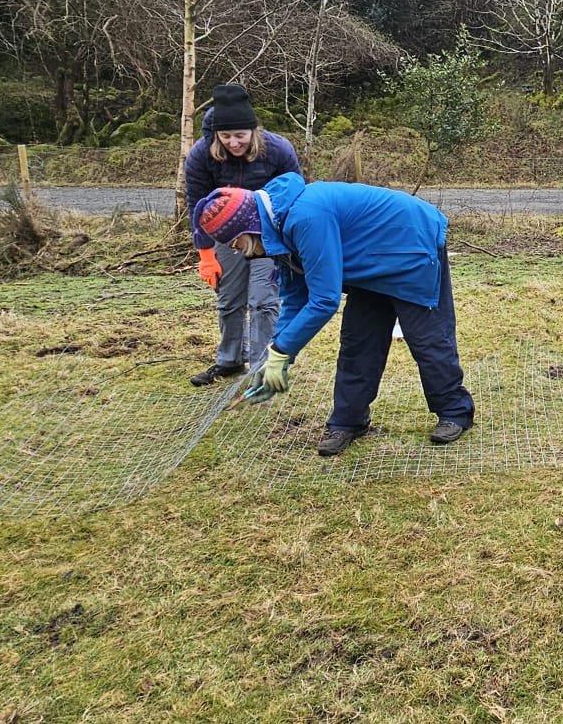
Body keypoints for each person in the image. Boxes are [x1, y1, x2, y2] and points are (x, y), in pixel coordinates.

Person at [193, 174, 474, 457]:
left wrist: (282, 350)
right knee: (358, 343)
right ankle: (348, 421)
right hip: (367, 264)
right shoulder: (277, 227)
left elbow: (324, 299)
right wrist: (277, 354)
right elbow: (295, 297)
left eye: (235, 243)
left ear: (248, 226)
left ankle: (454, 411)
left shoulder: (305, 217)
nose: (238, 252)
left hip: (409, 248)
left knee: (427, 339)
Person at [182, 83, 303, 387]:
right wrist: (205, 254)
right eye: (226, 136)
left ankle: (263, 367)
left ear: (253, 131)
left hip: (270, 234)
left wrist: (292, 241)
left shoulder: (278, 150)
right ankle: (229, 360)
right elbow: (197, 205)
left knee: (264, 300)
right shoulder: (200, 156)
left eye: (240, 135)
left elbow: (295, 195)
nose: (234, 143)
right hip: (227, 236)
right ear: (215, 136)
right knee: (229, 299)